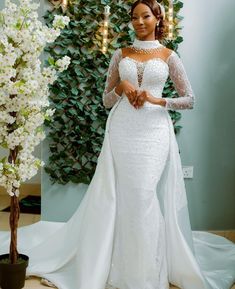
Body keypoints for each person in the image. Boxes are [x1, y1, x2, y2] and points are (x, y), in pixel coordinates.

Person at [0, 1, 234, 289]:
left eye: (145, 16)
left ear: (157, 18)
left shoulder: (168, 55)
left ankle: (146, 273)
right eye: (134, 17)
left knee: (144, 195)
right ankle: (119, 266)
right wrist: (122, 88)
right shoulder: (119, 53)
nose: (139, 21)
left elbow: (190, 99)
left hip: (154, 132)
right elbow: (106, 100)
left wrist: (157, 99)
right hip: (122, 129)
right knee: (125, 197)